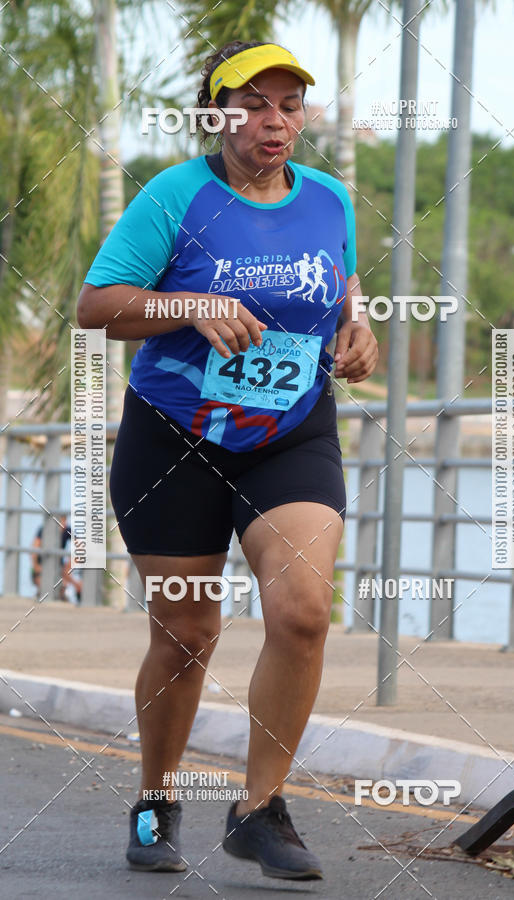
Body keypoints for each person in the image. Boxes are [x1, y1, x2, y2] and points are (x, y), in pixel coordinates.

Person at [77, 40, 377, 881]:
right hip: (175, 439)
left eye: (288, 104)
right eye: (253, 104)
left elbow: (341, 287)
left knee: (304, 613)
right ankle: (156, 802)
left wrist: (358, 329)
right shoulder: (175, 196)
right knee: (186, 634)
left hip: (290, 433)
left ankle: (258, 809)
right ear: (217, 113)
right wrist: (192, 302)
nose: (273, 121)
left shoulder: (328, 198)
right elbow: (96, 306)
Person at [31, 515, 81, 603]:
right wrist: (36, 566)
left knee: (68, 577)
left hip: (59, 565)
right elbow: (34, 549)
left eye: (64, 522)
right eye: (61, 522)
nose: (63, 525)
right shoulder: (44, 529)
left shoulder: (67, 530)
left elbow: (81, 548)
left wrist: (70, 564)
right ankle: (42, 591)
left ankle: (72, 594)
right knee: (42, 584)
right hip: (42, 562)